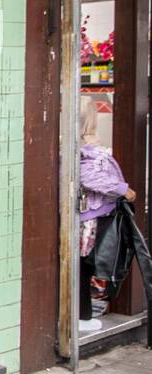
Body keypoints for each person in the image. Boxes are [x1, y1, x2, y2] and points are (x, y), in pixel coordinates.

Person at [78, 95, 136, 332]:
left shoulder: (81, 146)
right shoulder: (88, 149)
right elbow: (89, 177)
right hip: (91, 216)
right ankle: (82, 316)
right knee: (87, 265)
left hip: (92, 213)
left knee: (87, 265)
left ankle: (83, 313)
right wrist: (123, 189)